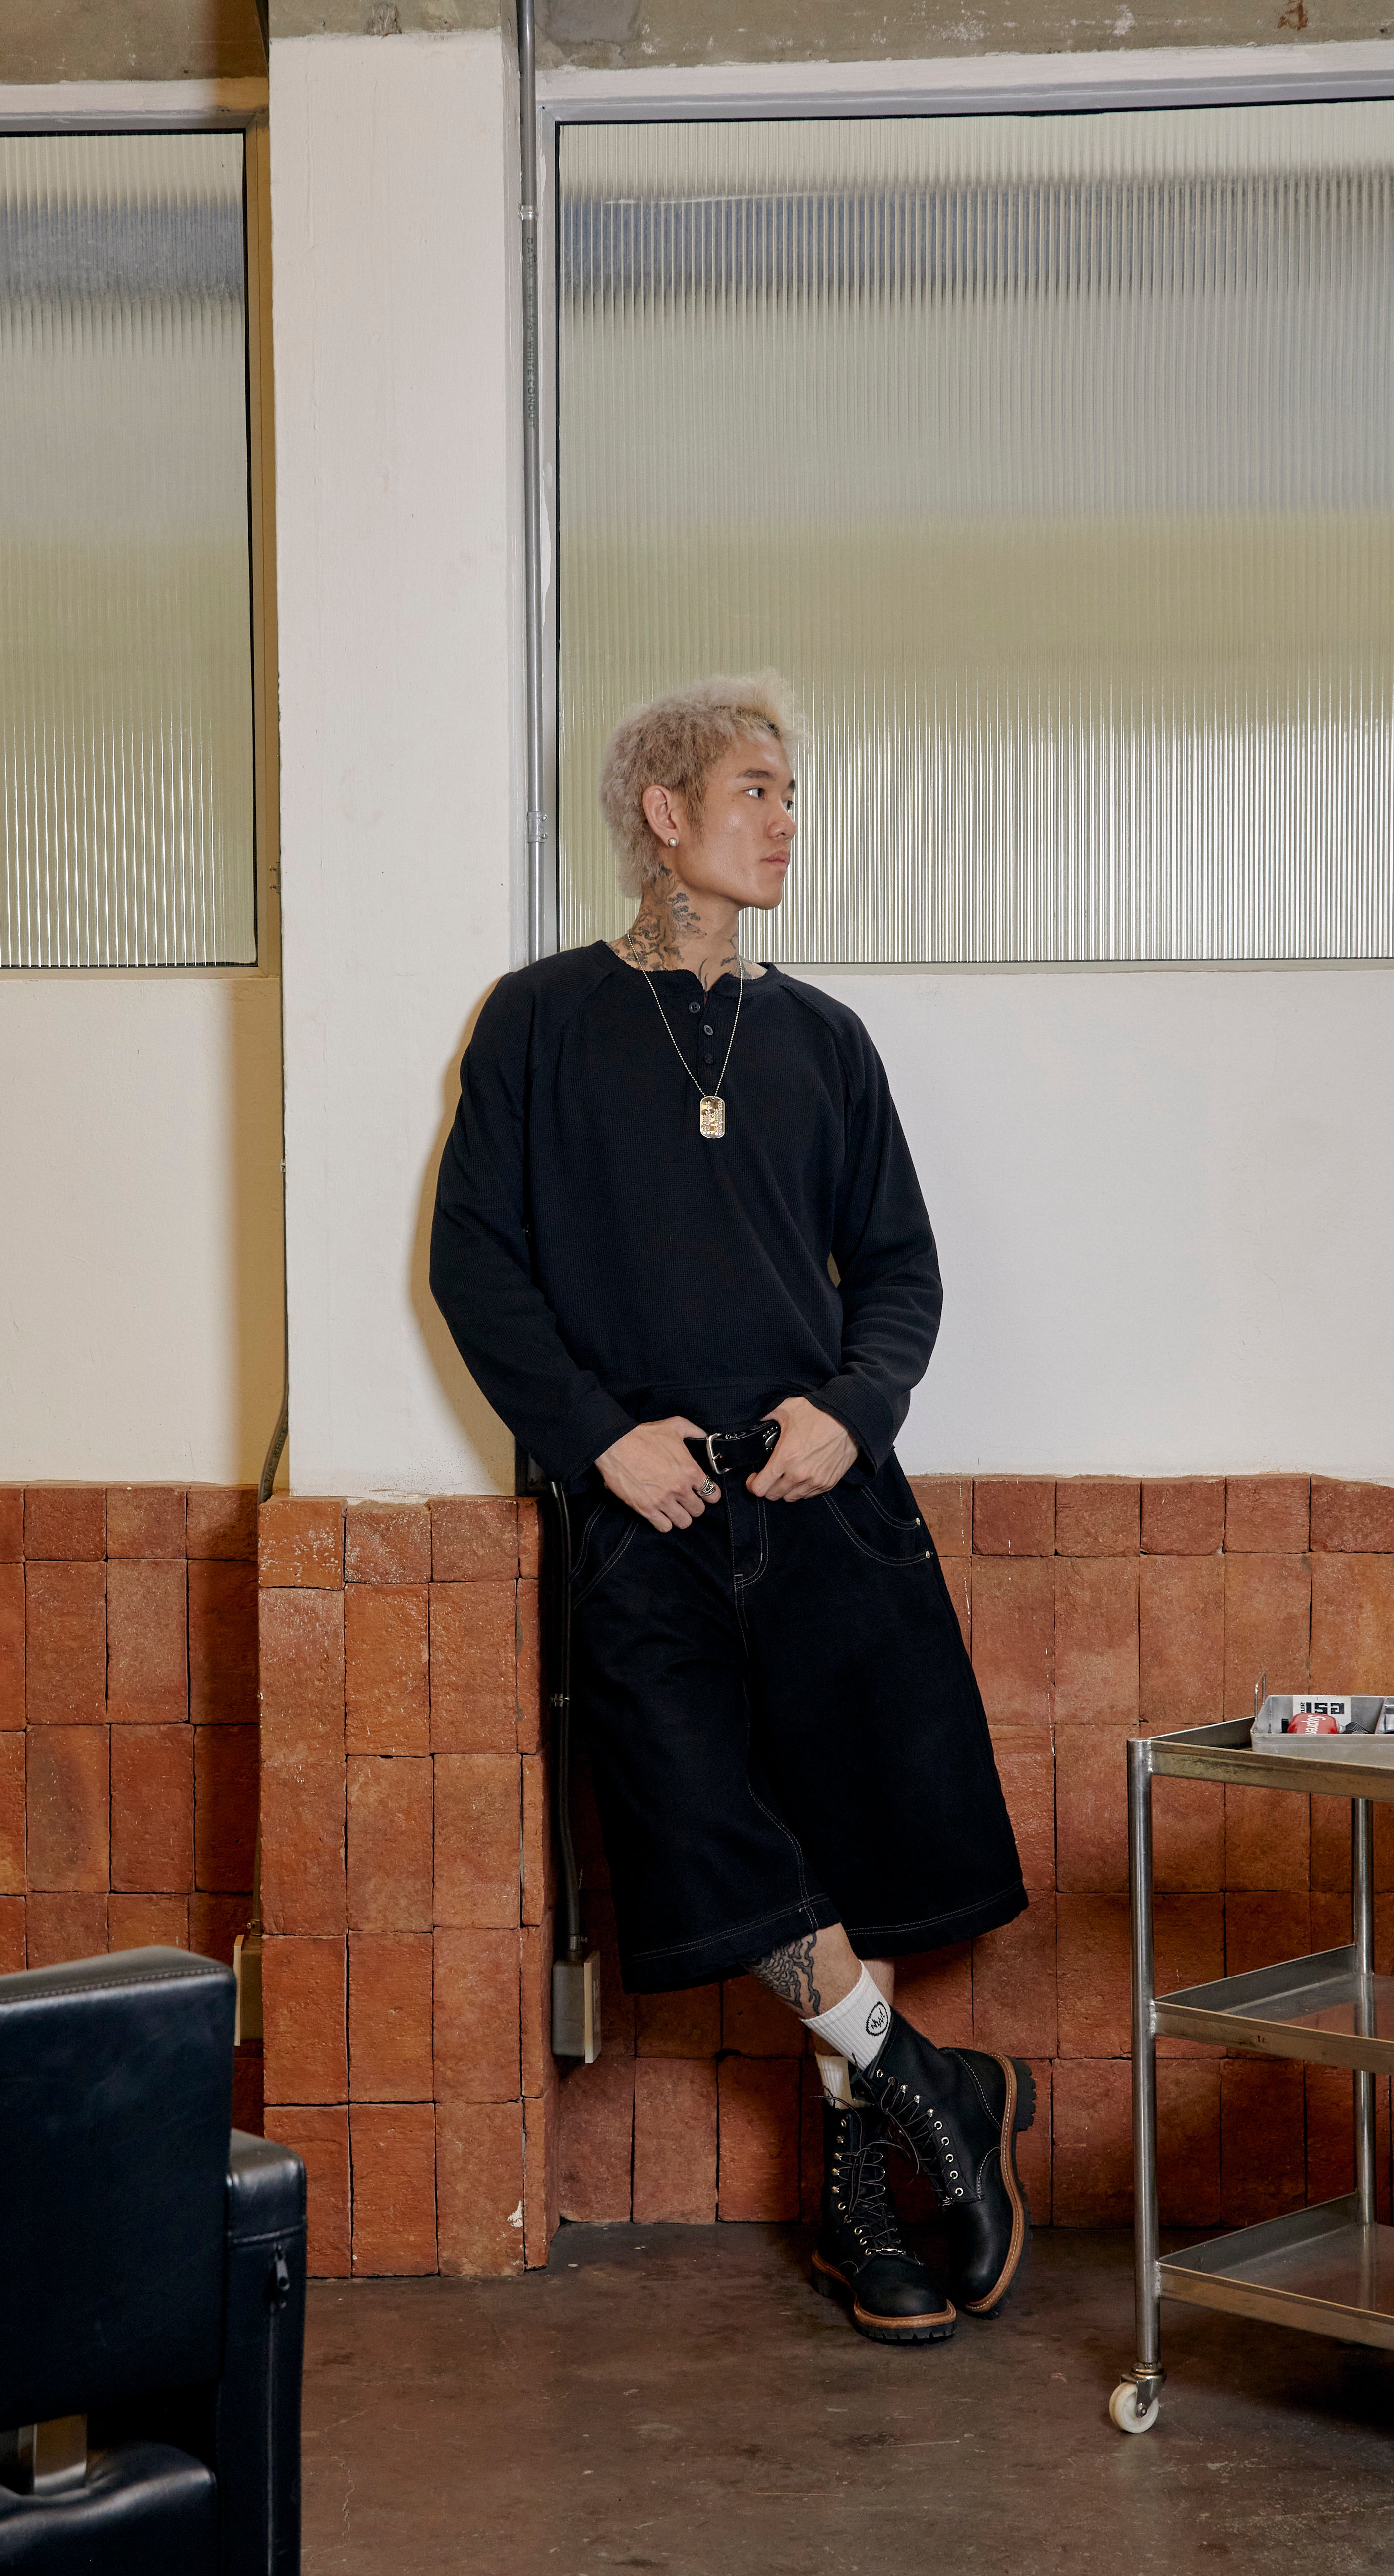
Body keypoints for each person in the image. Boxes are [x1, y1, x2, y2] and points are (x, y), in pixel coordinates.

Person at [430, 673, 1030, 2343]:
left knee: (849, 1847)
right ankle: (939, 2089)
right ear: (666, 812)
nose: (786, 820)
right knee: (701, 1830)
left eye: (790, 793)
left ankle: (861, 2203)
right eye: (756, 788)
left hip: (825, 1496)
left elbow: (900, 1272)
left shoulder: (825, 1040)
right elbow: (475, 1265)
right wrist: (594, 1440)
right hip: (649, 1514)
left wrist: (853, 1412)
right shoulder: (540, 1020)